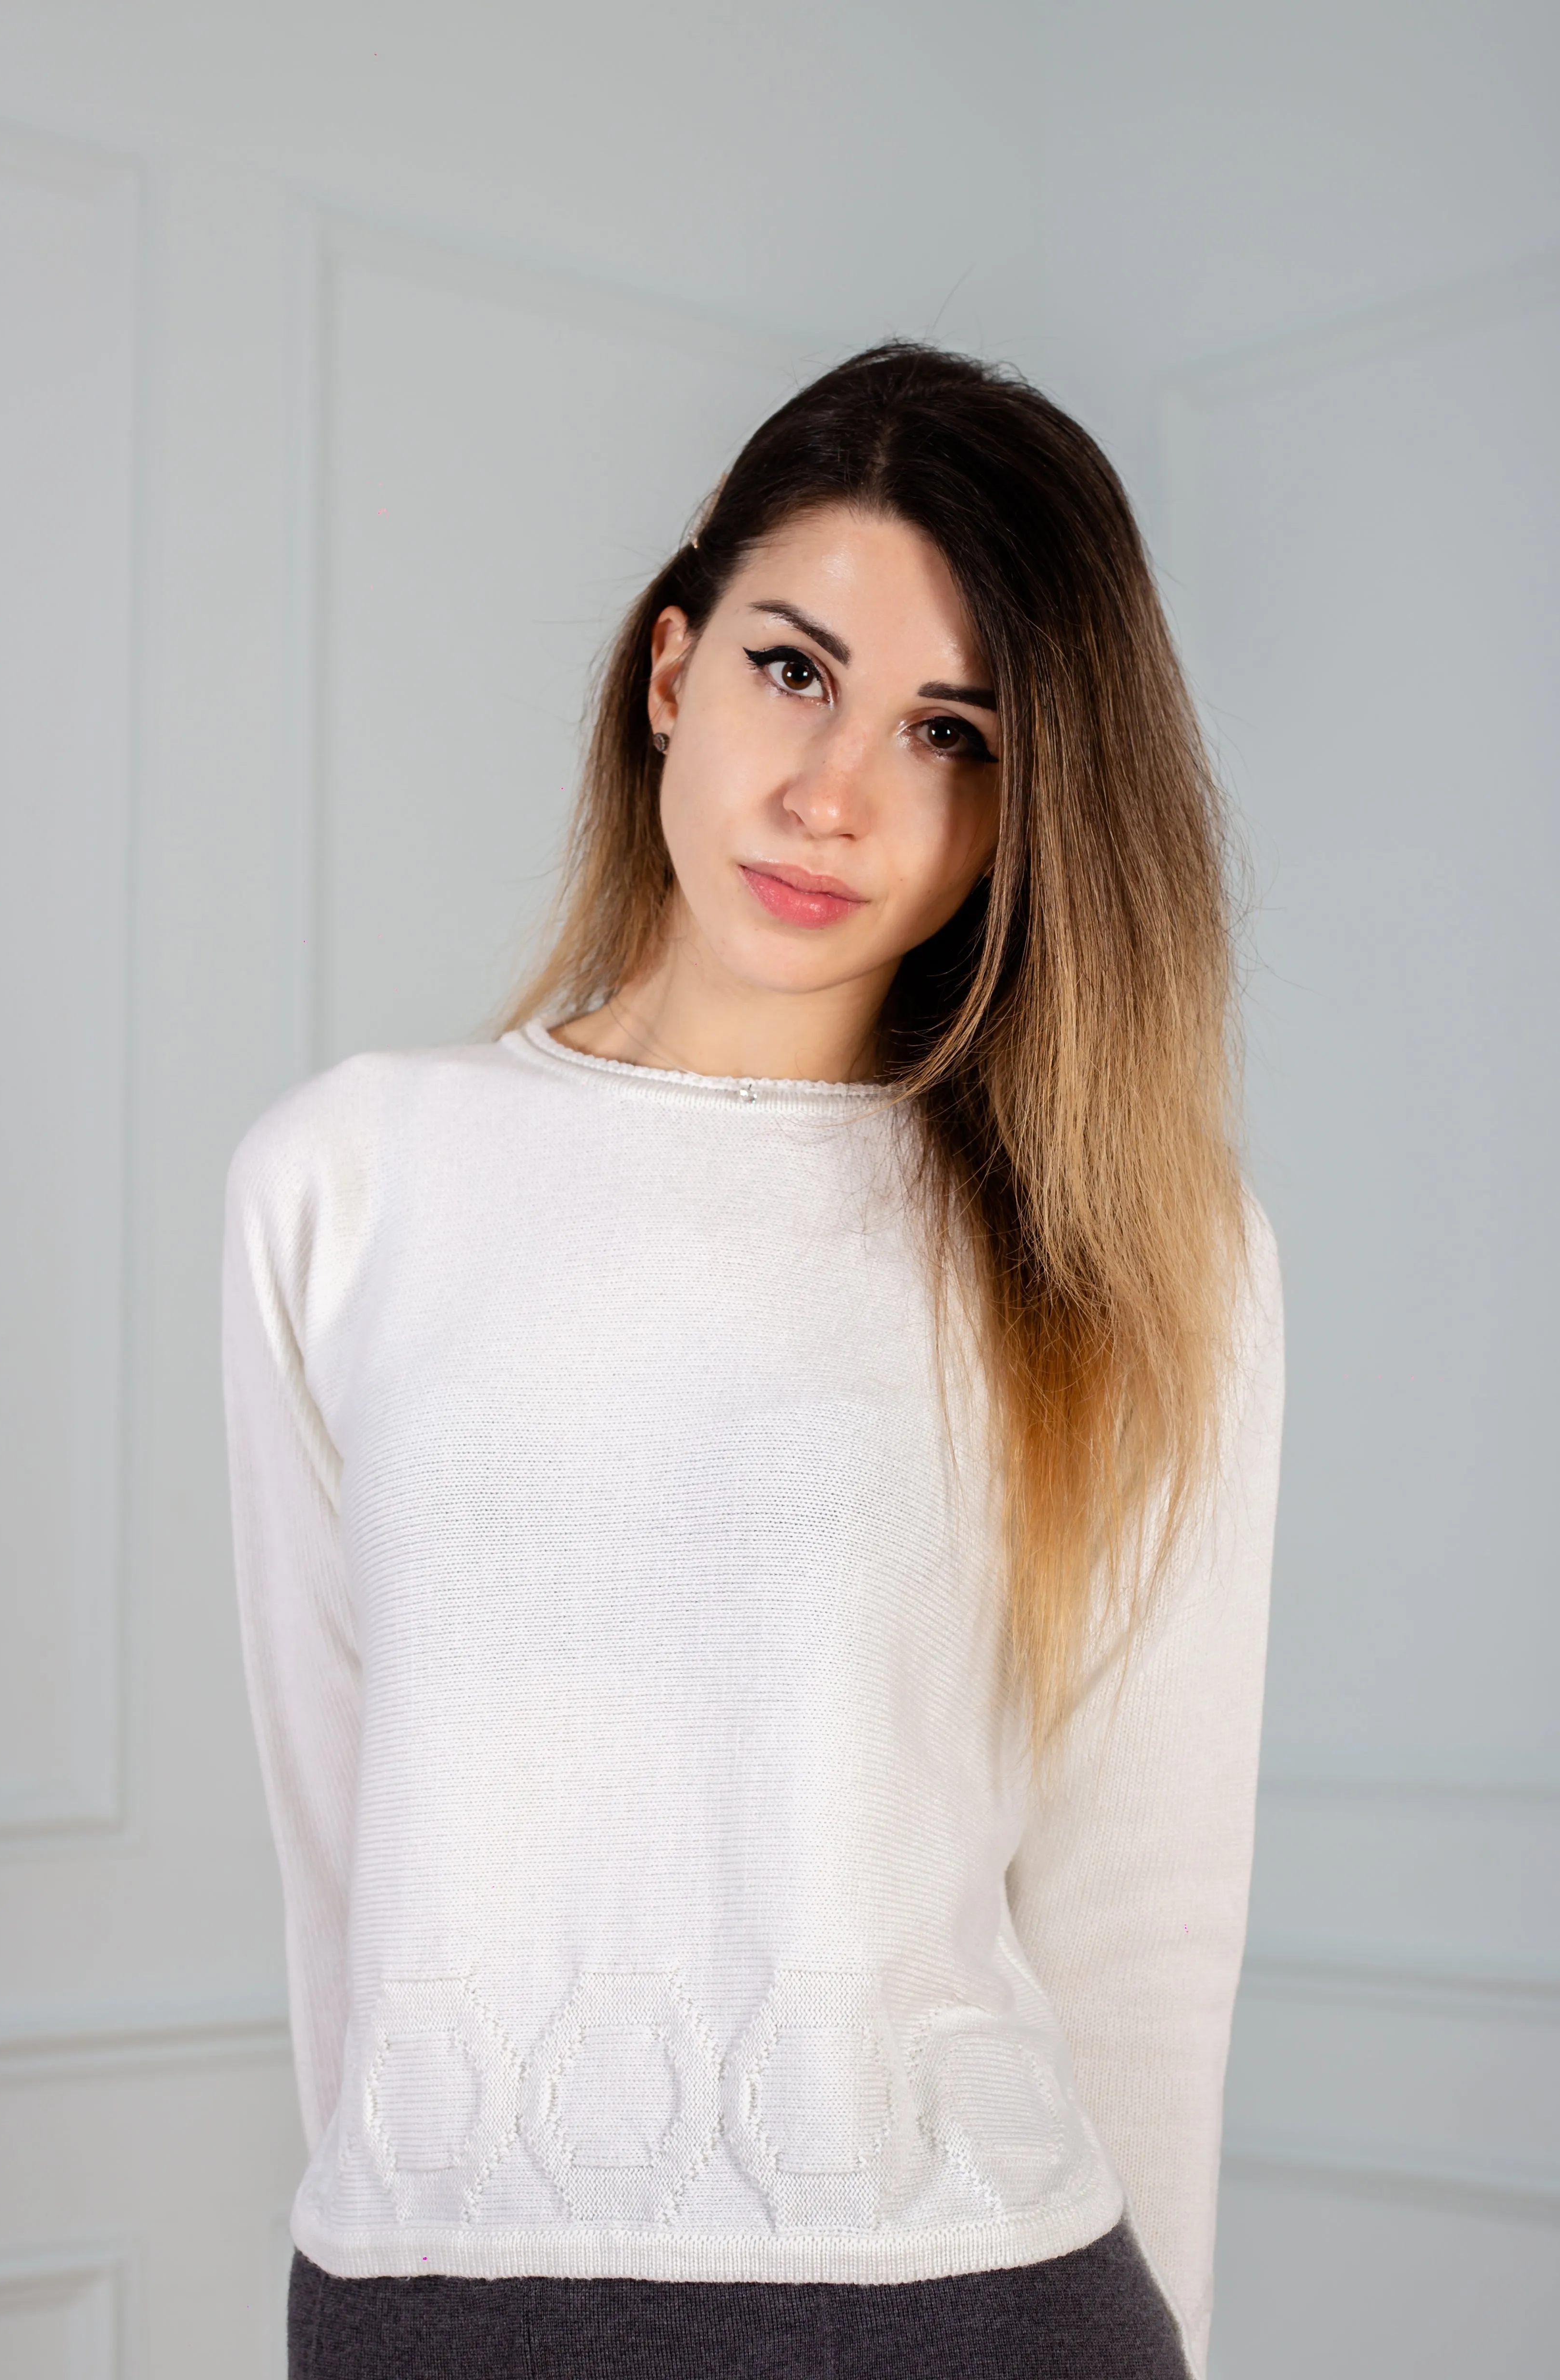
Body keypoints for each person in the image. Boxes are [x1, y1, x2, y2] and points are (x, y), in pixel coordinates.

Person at [221, 341, 1284, 2380]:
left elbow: (1147, 1919)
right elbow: (336, 1844)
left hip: (969, 2313)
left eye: (950, 734)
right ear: (667, 670)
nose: (836, 794)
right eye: (794, 672)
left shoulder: (1136, 1250)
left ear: (1019, 815)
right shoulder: (340, 1179)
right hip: (427, 2304)